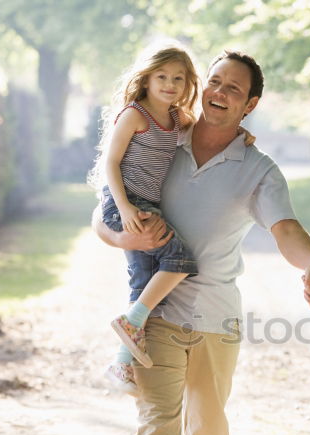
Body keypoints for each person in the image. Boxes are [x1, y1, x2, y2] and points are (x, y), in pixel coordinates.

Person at [92, 50, 310, 435]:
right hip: (160, 316)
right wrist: (128, 240)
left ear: (250, 104)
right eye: (214, 81)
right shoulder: (165, 139)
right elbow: (102, 214)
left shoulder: (258, 168)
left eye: (233, 88)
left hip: (218, 319)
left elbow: (285, 227)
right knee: (157, 434)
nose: (218, 92)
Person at [89, 42, 253, 396]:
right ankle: (127, 335)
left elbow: (209, 130)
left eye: (179, 78)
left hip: (148, 205)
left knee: (147, 280)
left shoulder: (177, 118)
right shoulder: (135, 114)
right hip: (126, 203)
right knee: (177, 261)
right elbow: (110, 163)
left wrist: (239, 133)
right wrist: (126, 208)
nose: (170, 84)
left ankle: (121, 362)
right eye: (162, 76)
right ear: (146, 78)